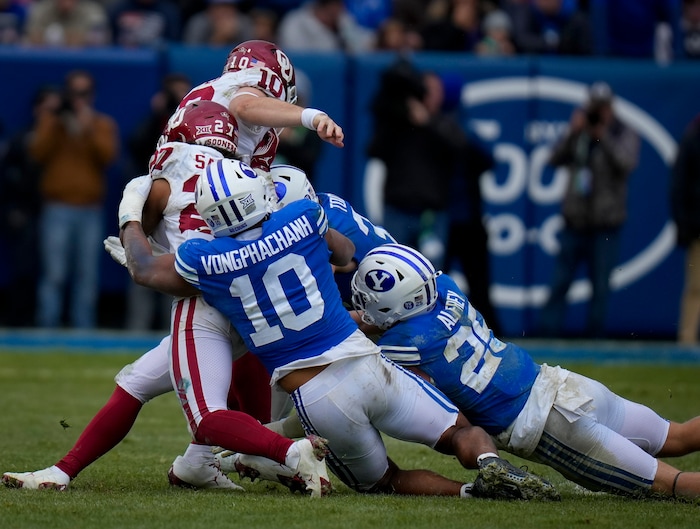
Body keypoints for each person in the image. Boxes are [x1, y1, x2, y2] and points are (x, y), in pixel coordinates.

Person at [118, 156, 560, 500]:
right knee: (459, 430)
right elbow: (347, 253)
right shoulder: (304, 217)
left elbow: (142, 268)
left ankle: (467, 494)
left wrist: (131, 215)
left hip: (317, 396)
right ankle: (486, 462)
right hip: (367, 365)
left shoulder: (203, 257)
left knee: (385, 480)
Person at [2, 101, 330, 497]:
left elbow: (146, 262)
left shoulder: (168, 175)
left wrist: (129, 217)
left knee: (209, 416)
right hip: (249, 301)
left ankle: (292, 454)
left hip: (202, 303)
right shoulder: (249, 174)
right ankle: (71, 470)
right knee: (137, 382)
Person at [351, 242, 700, 500]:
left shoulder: (402, 345)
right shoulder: (447, 289)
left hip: (548, 426)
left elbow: (372, 335)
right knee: (678, 436)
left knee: (674, 485)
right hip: (562, 384)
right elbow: (395, 316)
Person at [536, 81, 640, 339]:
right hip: (576, 221)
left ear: (611, 108)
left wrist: (602, 136)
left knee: (600, 285)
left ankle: (595, 337)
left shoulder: (622, 131)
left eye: (603, 108)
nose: (598, 112)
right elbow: (553, 159)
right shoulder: (579, 133)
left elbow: (626, 164)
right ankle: (547, 334)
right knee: (560, 281)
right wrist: (574, 133)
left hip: (606, 223)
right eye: (595, 107)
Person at [32, 69, 119, 328]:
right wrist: (56, 121)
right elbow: (37, 153)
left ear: (92, 95)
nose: (79, 99)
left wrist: (87, 126)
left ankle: (83, 331)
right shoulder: (52, 122)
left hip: (89, 209)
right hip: (57, 207)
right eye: (74, 93)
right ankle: (46, 327)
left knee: (86, 274)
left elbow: (108, 157)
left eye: (84, 93)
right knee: (54, 273)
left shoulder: (101, 124)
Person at [366, 60, 470, 271]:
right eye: (426, 89)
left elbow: (462, 148)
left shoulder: (446, 122)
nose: (429, 95)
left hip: (431, 214)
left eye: (435, 90)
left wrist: (427, 122)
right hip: (398, 208)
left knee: (431, 274)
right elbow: (374, 149)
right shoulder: (397, 122)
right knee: (392, 271)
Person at [125, 72, 192, 331]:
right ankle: (136, 330)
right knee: (140, 264)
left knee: (177, 270)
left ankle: (173, 331)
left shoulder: (200, 127)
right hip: (153, 204)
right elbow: (137, 146)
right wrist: (158, 117)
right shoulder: (154, 124)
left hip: (183, 210)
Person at [0, 86, 61, 327]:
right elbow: (10, 175)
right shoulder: (21, 137)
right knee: (24, 265)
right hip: (26, 209)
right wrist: (13, 208)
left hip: (55, 206)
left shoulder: (66, 137)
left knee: (51, 268)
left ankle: (44, 318)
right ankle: (20, 318)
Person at [670, 113, 700, 345]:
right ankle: (687, 339)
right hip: (698, 226)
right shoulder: (693, 136)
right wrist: (685, 223)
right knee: (696, 286)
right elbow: (679, 183)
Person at [277, 0, 374, 52]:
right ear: (322, 7)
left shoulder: (342, 20)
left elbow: (363, 43)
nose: (336, 12)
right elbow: (293, 53)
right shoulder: (295, 21)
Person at [23, 0, 111, 47]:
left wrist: (49, 37)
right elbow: (32, 36)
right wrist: (73, 37)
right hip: (44, 59)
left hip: (83, 60)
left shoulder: (92, 10)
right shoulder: (41, 9)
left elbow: (99, 39)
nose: (66, 2)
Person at [182, 0, 254, 46]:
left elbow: (251, 54)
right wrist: (218, 39)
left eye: (227, 7)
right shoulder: (198, 22)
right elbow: (191, 55)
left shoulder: (244, 22)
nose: (223, 12)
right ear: (210, 8)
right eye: (218, 7)